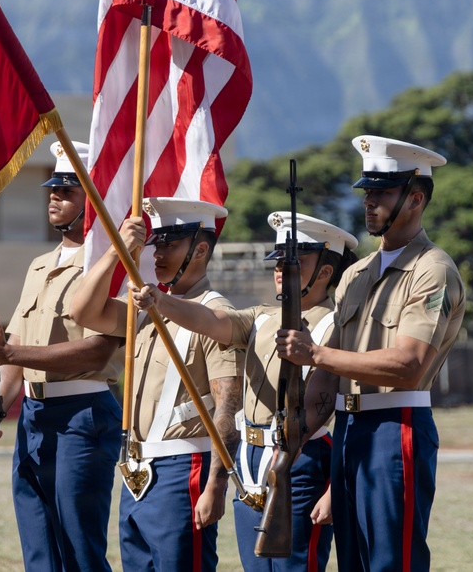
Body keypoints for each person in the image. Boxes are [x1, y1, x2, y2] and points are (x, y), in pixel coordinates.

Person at [274, 135, 466, 572]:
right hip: (348, 426)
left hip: (395, 428)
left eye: (382, 192)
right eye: (367, 191)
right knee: (354, 563)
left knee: (390, 561)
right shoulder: (356, 273)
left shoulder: (431, 270)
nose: (369, 202)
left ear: (416, 199)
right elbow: (330, 371)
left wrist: (315, 355)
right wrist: (296, 432)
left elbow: (408, 365)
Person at [129, 210, 359, 572]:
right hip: (250, 459)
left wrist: (334, 488)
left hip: (301, 458)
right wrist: (161, 301)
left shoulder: (335, 325)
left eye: (293, 263)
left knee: (294, 566)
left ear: (326, 272)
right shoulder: (262, 317)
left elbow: (340, 410)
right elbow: (213, 321)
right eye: (278, 262)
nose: (280, 270)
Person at [0, 141, 122, 572]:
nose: (54, 196)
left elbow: (97, 347)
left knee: (79, 549)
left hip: (82, 413)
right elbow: (12, 352)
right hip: (34, 416)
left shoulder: (111, 267)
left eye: (68, 190)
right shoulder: (39, 264)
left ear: (92, 200)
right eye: (53, 188)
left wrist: (8, 349)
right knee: (39, 550)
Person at [70, 197, 243, 572]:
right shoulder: (147, 305)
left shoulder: (217, 314)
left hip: (184, 465)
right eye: (157, 243)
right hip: (138, 465)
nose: (159, 253)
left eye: (171, 244)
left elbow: (228, 406)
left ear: (199, 249)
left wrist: (217, 481)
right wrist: (117, 251)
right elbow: (81, 311)